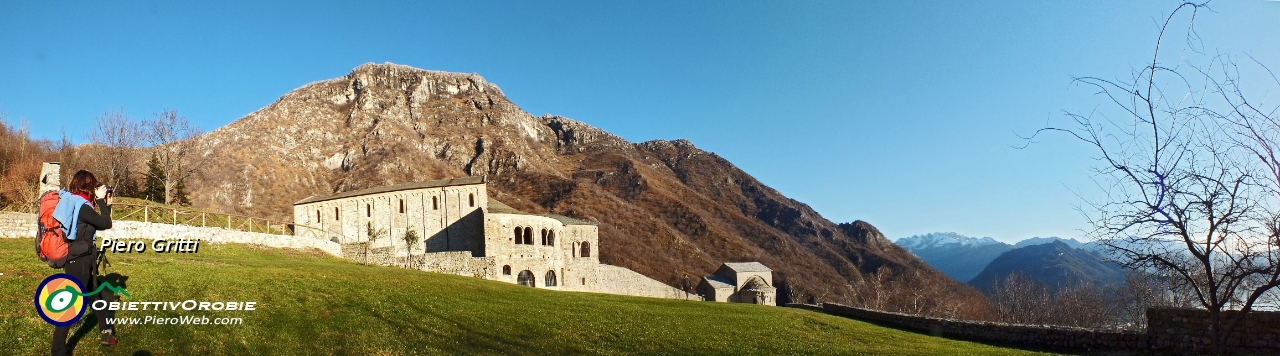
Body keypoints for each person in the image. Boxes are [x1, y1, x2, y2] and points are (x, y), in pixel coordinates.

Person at [50, 170, 117, 355]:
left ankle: (107, 333)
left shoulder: (76, 203)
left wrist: (106, 205)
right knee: (70, 305)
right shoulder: (82, 206)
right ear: (88, 185)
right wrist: (102, 201)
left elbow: (98, 222)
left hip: (81, 260)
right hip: (79, 262)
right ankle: (58, 350)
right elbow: (105, 224)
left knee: (98, 295)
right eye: (94, 185)